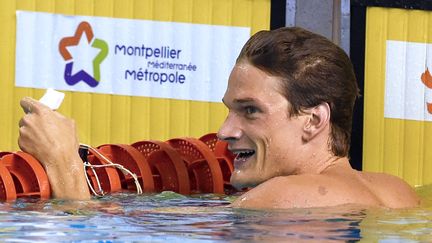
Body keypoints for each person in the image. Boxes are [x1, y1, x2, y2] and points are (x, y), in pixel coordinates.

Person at [18, 27, 420, 208]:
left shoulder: (279, 200)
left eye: (250, 111)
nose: (225, 131)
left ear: (313, 120)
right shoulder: (398, 193)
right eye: (229, 109)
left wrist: (62, 162)